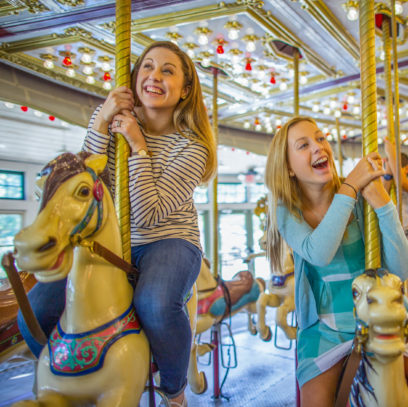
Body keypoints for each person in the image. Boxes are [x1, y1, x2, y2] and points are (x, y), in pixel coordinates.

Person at [18, 41, 216, 407]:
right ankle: (68, 376)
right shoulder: (115, 125)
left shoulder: (192, 147)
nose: (154, 76)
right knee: (34, 308)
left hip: (168, 240)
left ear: (185, 90)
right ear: (135, 76)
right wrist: (102, 119)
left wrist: (139, 147)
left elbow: (147, 214)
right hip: (110, 240)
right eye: (147, 67)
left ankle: (173, 388)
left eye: (167, 71)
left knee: (156, 303)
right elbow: (88, 176)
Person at [265, 116, 408, 407]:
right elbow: (319, 252)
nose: (319, 147)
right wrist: (350, 186)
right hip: (323, 330)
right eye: (304, 145)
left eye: (320, 138)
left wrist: (383, 205)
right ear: (289, 168)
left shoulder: (359, 199)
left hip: (377, 320)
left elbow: (401, 270)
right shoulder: (286, 210)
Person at [383, 137, 408, 234]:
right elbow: (384, 194)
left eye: (396, 168)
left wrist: (391, 153)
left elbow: (402, 183)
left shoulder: (403, 182)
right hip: (396, 231)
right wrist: (388, 175)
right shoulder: (391, 181)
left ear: (406, 169)